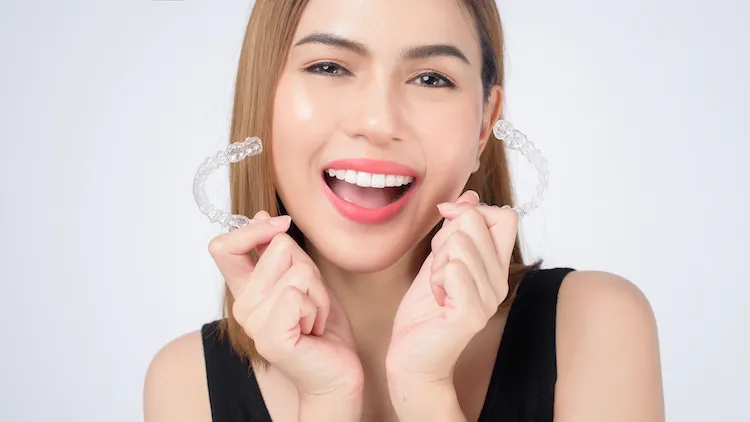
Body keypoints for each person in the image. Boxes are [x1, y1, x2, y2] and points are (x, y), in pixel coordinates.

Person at [143, 0, 665, 421]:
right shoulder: (186, 385)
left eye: (431, 78)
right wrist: (327, 402)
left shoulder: (593, 327)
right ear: (262, 98)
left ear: (485, 124)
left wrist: (427, 393)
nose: (377, 122)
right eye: (329, 67)